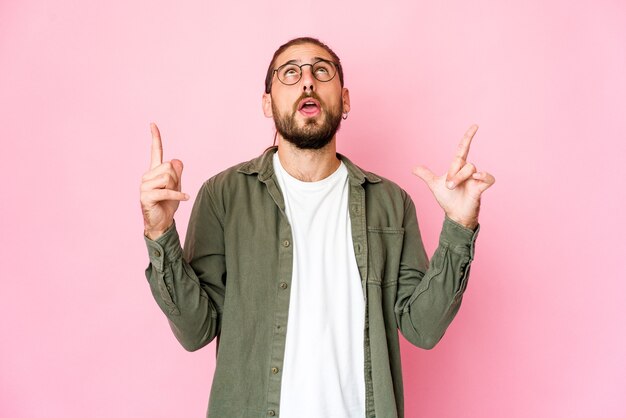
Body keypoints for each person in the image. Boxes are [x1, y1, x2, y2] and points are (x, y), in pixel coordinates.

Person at [140, 37, 495, 418]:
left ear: (344, 100)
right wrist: (160, 233)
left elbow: (422, 329)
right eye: (290, 72)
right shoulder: (223, 196)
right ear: (267, 103)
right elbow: (196, 331)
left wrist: (460, 225)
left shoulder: (390, 203)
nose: (307, 80)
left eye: (321, 70)